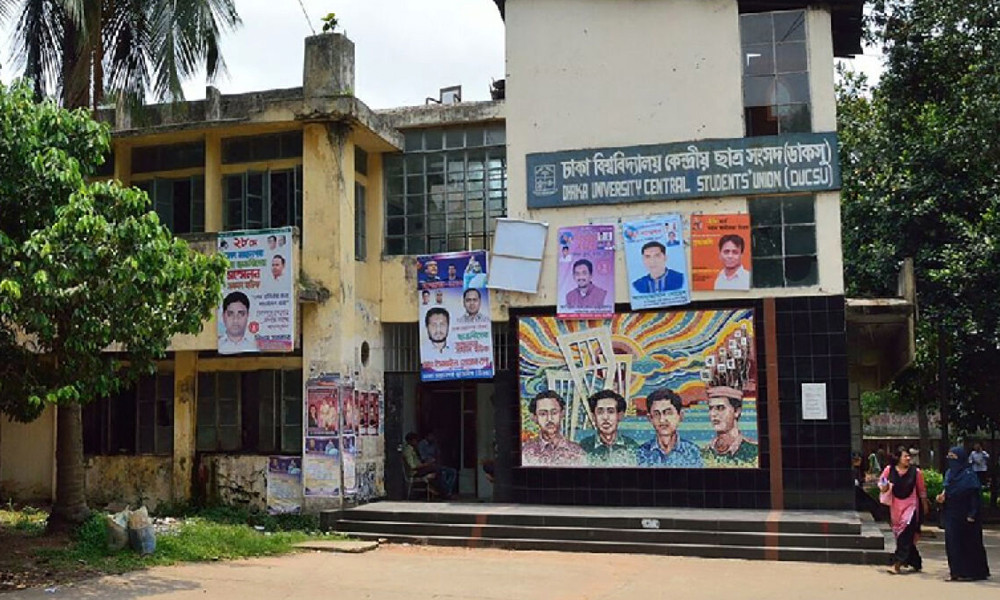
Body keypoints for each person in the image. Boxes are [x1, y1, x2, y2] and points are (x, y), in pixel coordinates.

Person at [937, 446, 991, 581]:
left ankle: (973, 572)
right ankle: (955, 571)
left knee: (969, 543)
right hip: (951, 512)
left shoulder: (969, 475)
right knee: (952, 542)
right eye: (949, 457)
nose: (950, 460)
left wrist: (972, 514)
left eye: (953, 457)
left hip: (967, 515)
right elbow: (946, 489)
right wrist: (941, 498)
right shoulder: (950, 473)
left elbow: (975, 497)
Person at [879, 447, 930, 574]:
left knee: (906, 534)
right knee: (902, 535)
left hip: (911, 507)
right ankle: (915, 562)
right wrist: (884, 486)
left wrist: (924, 504)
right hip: (896, 507)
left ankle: (897, 563)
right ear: (898, 458)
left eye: (909, 456)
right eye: (905, 456)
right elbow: (881, 484)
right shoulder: (889, 470)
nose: (908, 458)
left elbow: (921, 489)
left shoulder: (916, 472)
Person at [636, 388, 703, 467]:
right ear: (650, 418)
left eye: (668, 413)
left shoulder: (693, 452)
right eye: (657, 414)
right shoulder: (641, 453)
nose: (662, 420)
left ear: (680, 416)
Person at [522, 390, 585, 466]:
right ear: (534, 418)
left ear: (562, 414)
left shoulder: (577, 452)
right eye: (543, 414)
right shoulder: (525, 452)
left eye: (554, 413)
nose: (549, 419)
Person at [578, 390, 638, 465]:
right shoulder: (583, 448)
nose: (605, 417)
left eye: (611, 411)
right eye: (600, 412)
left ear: (620, 415)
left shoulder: (632, 447)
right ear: (594, 417)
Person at [702, 385, 757, 466]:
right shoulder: (703, 454)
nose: (713, 414)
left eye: (720, 408)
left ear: (736, 412)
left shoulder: (754, 452)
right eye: (711, 408)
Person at [402, 432, 451, 499]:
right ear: (412, 441)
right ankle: (444, 493)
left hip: (419, 469)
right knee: (437, 470)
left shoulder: (413, 449)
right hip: (415, 472)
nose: (417, 443)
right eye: (416, 441)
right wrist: (426, 464)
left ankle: (439, 491)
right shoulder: (408, 451)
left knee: (438, 472)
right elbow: (413, 466)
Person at [418, 431, 457, 496]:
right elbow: (422, 458)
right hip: (426, 465)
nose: (433, 438)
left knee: (452, 471)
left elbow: (438, 454)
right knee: (442, 473)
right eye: (432, 436)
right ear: (427, 436)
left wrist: (438, 461)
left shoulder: (434, 444)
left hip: (436, 465)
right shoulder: (421, 444)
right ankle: (446, 492)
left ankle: (447, 490)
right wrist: (430, 461)